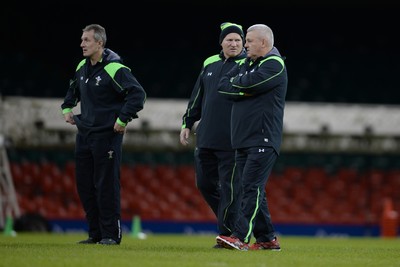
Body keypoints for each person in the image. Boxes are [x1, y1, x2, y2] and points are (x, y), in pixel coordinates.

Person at [61, 24, 146, 245]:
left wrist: (122, 119)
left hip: (107, 135)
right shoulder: (82, 65)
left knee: (106, 185)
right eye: (82, 39)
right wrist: (67, 107)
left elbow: (138, 94)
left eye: (86, 40)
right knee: (85, 185)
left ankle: (110, 235)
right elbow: (73, 88)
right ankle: (95, 233)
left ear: (100, 43)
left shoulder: (115, 69)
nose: (82, 44)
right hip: (84, 133)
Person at [215, 24, 288, 251]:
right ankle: (267, 239)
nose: (244, 45)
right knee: (253, 188)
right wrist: (244, 86)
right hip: (244, 138)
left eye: (248, 40)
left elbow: (250, 83)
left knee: (250, 188)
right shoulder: (248, 64)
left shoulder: (274, 64)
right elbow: (222, 85)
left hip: (262, 138)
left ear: (263, 43)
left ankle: (240, 237)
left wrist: (243, 85)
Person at [180, 22, 246, 248]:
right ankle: (235, 223)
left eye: (238, 40)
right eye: (230, 39)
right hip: (206, 136)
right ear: (221, 42)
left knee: (230, 189)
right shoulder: (209, 62)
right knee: (205, 185)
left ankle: (228, 234)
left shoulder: (249, 64)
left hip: (232, 139)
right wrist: (187, 122)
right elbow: (197, 96)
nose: (234, 43)